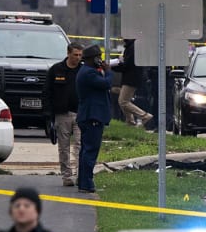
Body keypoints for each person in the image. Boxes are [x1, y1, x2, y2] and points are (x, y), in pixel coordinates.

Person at [76, 44, 113, 194]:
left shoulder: (87, 71)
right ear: (93, 58)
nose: (101, 60)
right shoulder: (89, 73)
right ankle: (86, 183)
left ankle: (83, 181)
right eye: (99, 57)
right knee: (90, 151)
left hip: (88, 115)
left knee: (85, 150)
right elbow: (106, 84)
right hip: (92, 116)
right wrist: (108, 72)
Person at [46, 43, 83, 186]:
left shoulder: (83, 70)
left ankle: (81, 175)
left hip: (80, 113)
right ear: (68, 53)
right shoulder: (56, 70)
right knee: (64, 147)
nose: (78, 58)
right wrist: (48, 114)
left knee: (80, 145)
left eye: (80, 55)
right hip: (62, 114)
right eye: (75, 55)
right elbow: (47, 92)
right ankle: (66, 176)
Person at [115, 38, 152, 128]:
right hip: (130, 77)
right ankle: (130, 121)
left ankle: (144, 116)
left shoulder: (133, 47)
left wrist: (114, 66)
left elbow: (127, 65)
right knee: (124, 100)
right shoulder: (131, 46)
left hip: (131, 78)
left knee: (123, 101)